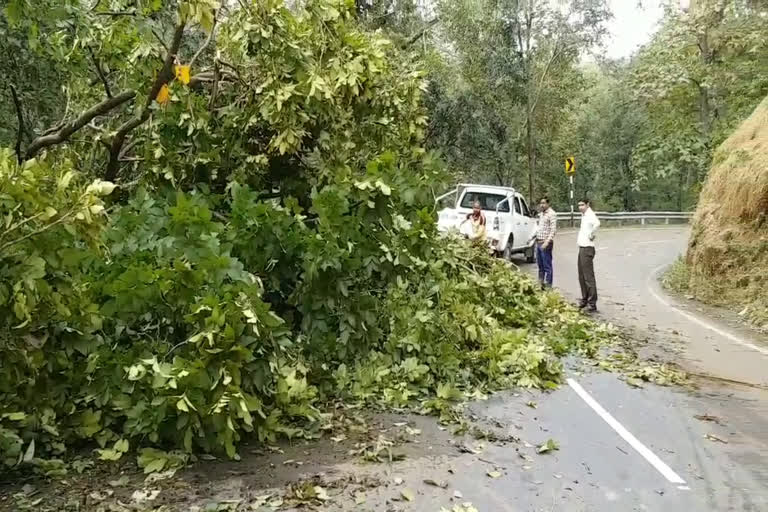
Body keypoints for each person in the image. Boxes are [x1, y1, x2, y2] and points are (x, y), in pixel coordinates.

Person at [577, 198, 600, 312]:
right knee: (581, 276)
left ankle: (592, 302)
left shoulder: (590, 214)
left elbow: (597, 224)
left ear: (587, 205)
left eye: (582, 205)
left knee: (588, 277)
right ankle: (585, 298)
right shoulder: (584, 215)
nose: (580, 207)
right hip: (582, 246)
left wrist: (592, 234)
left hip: (587, 247)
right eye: (579, 205)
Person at [530, 196, 556, 289]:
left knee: (547, 265)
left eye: (544, 203)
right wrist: (532, 238)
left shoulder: (551, 214)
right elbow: (539, 228)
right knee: (540, 265)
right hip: (539, 241)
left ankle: (548, 285)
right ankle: (540, 284)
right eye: (541, 203)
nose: (542, 205)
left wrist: (547, 242)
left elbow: (553, 230)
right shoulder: (541, 214)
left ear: (548, 204)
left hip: (546, 243)